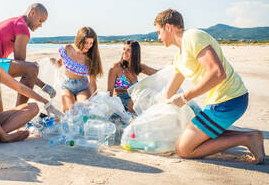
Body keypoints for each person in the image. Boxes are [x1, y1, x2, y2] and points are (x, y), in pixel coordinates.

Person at [154, 9, 265, 164]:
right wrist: (147, 115)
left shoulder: (192, 37)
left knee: (184, 149)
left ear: (168, 27)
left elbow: (218, 73)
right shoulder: (179, 56)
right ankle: (250, 137)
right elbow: (169, 93)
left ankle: (248, 138)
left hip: (229, 100)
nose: (158, 37)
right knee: (180, 145)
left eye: (158, 32)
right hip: (218, 102)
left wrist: (185, 97)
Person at [0, 3, 56, 107]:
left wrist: (42, 85)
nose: (41, 25)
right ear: (32, 13)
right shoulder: (22, 27)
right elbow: (24, 67)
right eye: (40, 21)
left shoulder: (15, 21)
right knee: (32, 68)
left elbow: (20, 66)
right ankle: (20, 110)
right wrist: (43, 85)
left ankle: (18, 115)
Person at [51, 27, 103, 112]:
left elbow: (93, 82)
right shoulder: (68, 49)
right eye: (86, 42)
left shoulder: (91, 57)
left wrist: (95, 99)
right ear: (80, 39)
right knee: (70, 110)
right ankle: (64, 109)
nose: (88, 46)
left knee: (82, 110)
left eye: (91, 43)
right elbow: (59, 64)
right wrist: (53, 61)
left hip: (83, 87)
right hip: (67, 86)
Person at [107, 40, 158, 113]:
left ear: (134, 53)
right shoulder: (116, 68)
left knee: (150, 95)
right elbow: (109, 93)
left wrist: (172, 67)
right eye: (124, 49)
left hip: (133, 99)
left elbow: (156, 73)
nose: (124, 52)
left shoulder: (138, 67)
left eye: (128, 50)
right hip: (120, 101)